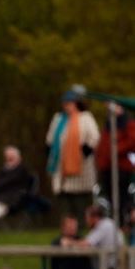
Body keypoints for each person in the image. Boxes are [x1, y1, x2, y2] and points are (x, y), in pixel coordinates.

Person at [46, 90, 101, 220]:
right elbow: (50, 140)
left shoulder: (85, 118)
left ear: (76, 103)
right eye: (65, 103)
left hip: (81, 167)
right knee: (65, 203)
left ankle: (81, 229)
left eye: (69, 103)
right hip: (61, 168)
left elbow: (94, 138)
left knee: (81, 203)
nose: (66, 106)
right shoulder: (58, 119)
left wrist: (83, 151)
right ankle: (67, 231)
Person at [97, 103, 135, 219]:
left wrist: (116, 149)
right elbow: (102, 145)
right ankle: (115, 220)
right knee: (111, 196)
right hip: (107, 166)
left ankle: (124, 221)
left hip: (121, 166)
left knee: (122, 196)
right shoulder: (108, 125)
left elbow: (131, 142)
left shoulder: (128, 124)